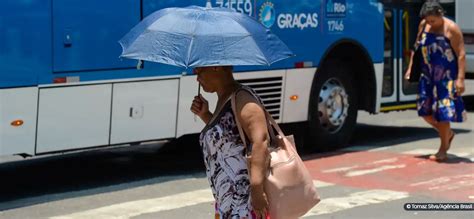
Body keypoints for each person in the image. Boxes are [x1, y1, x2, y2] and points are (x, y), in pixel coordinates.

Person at [190, 66, 271, 219]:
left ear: (216, 67)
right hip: (228, 204)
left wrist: (257, 191)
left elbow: (260, 141)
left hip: (245, 203)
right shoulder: (224, 98)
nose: (197, 78)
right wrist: (205, 115)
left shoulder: (242, 98)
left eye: (199, 72)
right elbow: (229, 140)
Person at [405, 1, 467, 161]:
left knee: (443, 114)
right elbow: (416, 47)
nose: (430, 24)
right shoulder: (423, 25)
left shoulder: (451, 28)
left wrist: (460, 79)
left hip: (446, 78)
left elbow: (461, 54)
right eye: (428, 20)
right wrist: (410, 68)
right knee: (425, 113)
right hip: (427, 76)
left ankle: (443, 150)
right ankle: (448, 135)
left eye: (433, 20)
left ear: (440, 14)